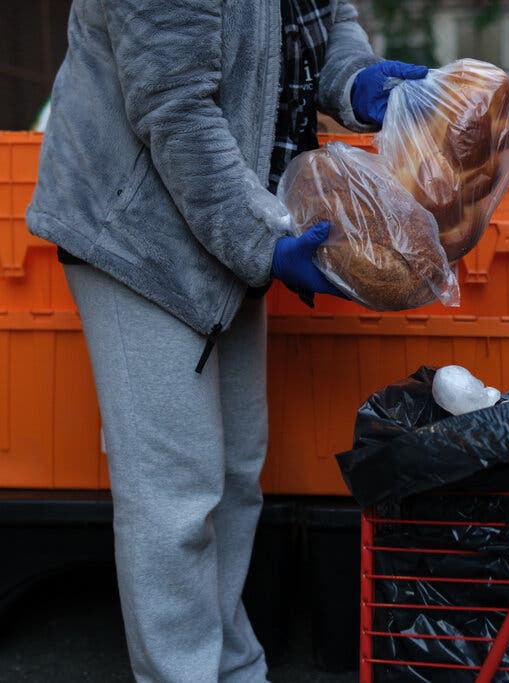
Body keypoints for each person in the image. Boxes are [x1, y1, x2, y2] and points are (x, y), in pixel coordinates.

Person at [26, 1, 427, 681]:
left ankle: (234, 667)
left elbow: (325, 18)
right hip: (139, 230)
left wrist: (354, 77)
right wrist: (264, 241)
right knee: (174, 493)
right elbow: (174, 108)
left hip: (227, 217)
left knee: (236, 473)